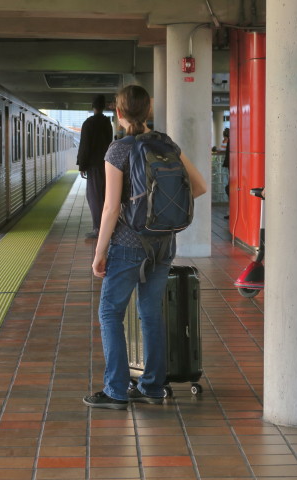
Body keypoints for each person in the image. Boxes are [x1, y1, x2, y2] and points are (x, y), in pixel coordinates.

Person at [82, 85, 207, 410]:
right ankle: (152, 386)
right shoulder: (167, 145)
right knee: (151, 314)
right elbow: (200, 186)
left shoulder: (118, 151)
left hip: (127, 244)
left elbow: (110, 209)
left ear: (118, 113)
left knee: (110, 312)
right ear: (148, 109)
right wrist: (161, 211)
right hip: (164, 242)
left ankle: (116, 390)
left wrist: (99, 253)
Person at [77, 94, 113, 238]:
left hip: (94, 166)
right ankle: (106, 227)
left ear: (93, 107)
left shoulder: (89, 123)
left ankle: (98, 229)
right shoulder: (107, 123)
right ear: (104, 107)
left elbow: (84, 146)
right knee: (104, 196)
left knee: (94, 197)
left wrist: (82, 165)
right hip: (107, 164)